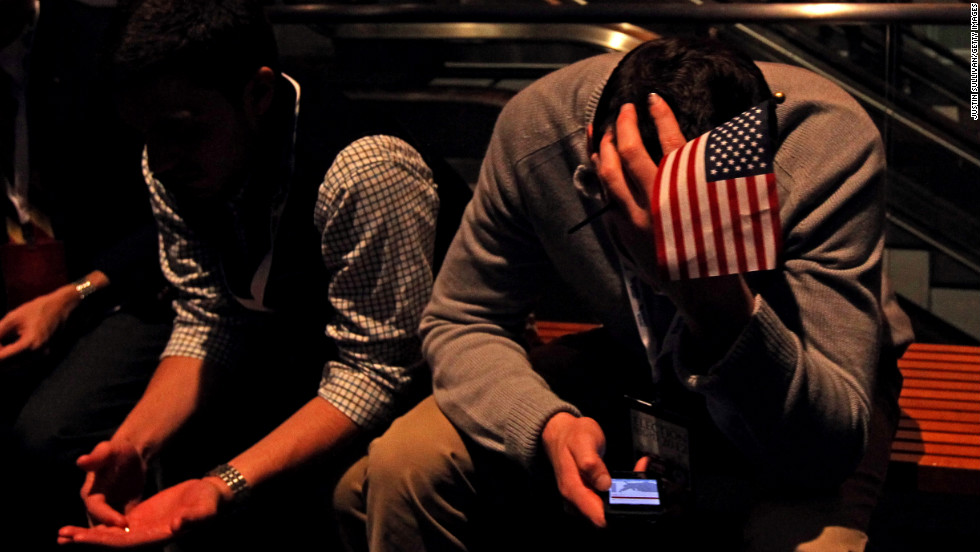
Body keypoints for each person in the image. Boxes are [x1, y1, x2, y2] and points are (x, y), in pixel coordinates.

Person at [334, 37, 913, 551]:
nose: (653, 226)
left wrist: (705, 290)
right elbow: (462, 317)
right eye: (632, 202)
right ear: (593, 146)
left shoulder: (827, 141)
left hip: (799, 374)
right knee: (398, 468)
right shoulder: (538, 130)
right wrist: (548, 428)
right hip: (634, 365)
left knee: (811, 541)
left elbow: (821, 452)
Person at [57, 0, 444, 548]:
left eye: (182, 132)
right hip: (297, 349)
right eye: (146, 134)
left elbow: (374, 371)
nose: (160, 159)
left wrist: (223, 484)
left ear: (258, 95)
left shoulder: (363, 172)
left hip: (424, 369)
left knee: (331, 493)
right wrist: (135, 445)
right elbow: (208, 313)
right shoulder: (169, 158)